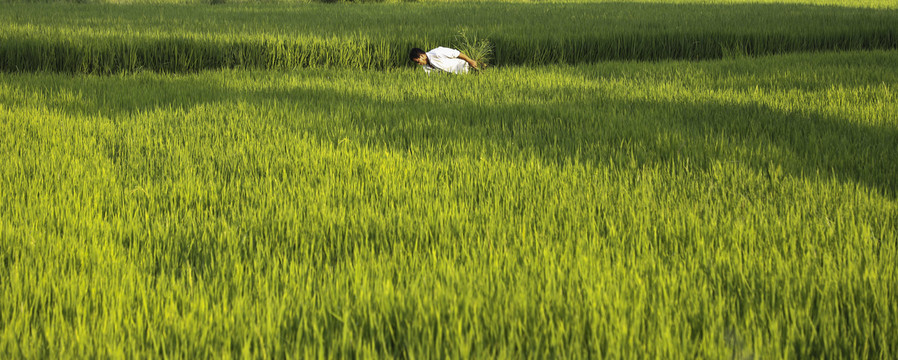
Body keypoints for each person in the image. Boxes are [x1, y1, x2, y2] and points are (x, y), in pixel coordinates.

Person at [409, 47, 478, 74]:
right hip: (457, 78)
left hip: (466, 68)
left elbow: (456, 53)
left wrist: (470, 61)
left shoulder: (437, 52)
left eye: (417, 61)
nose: (418, 64)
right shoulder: (426, 67)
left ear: (422, 56)